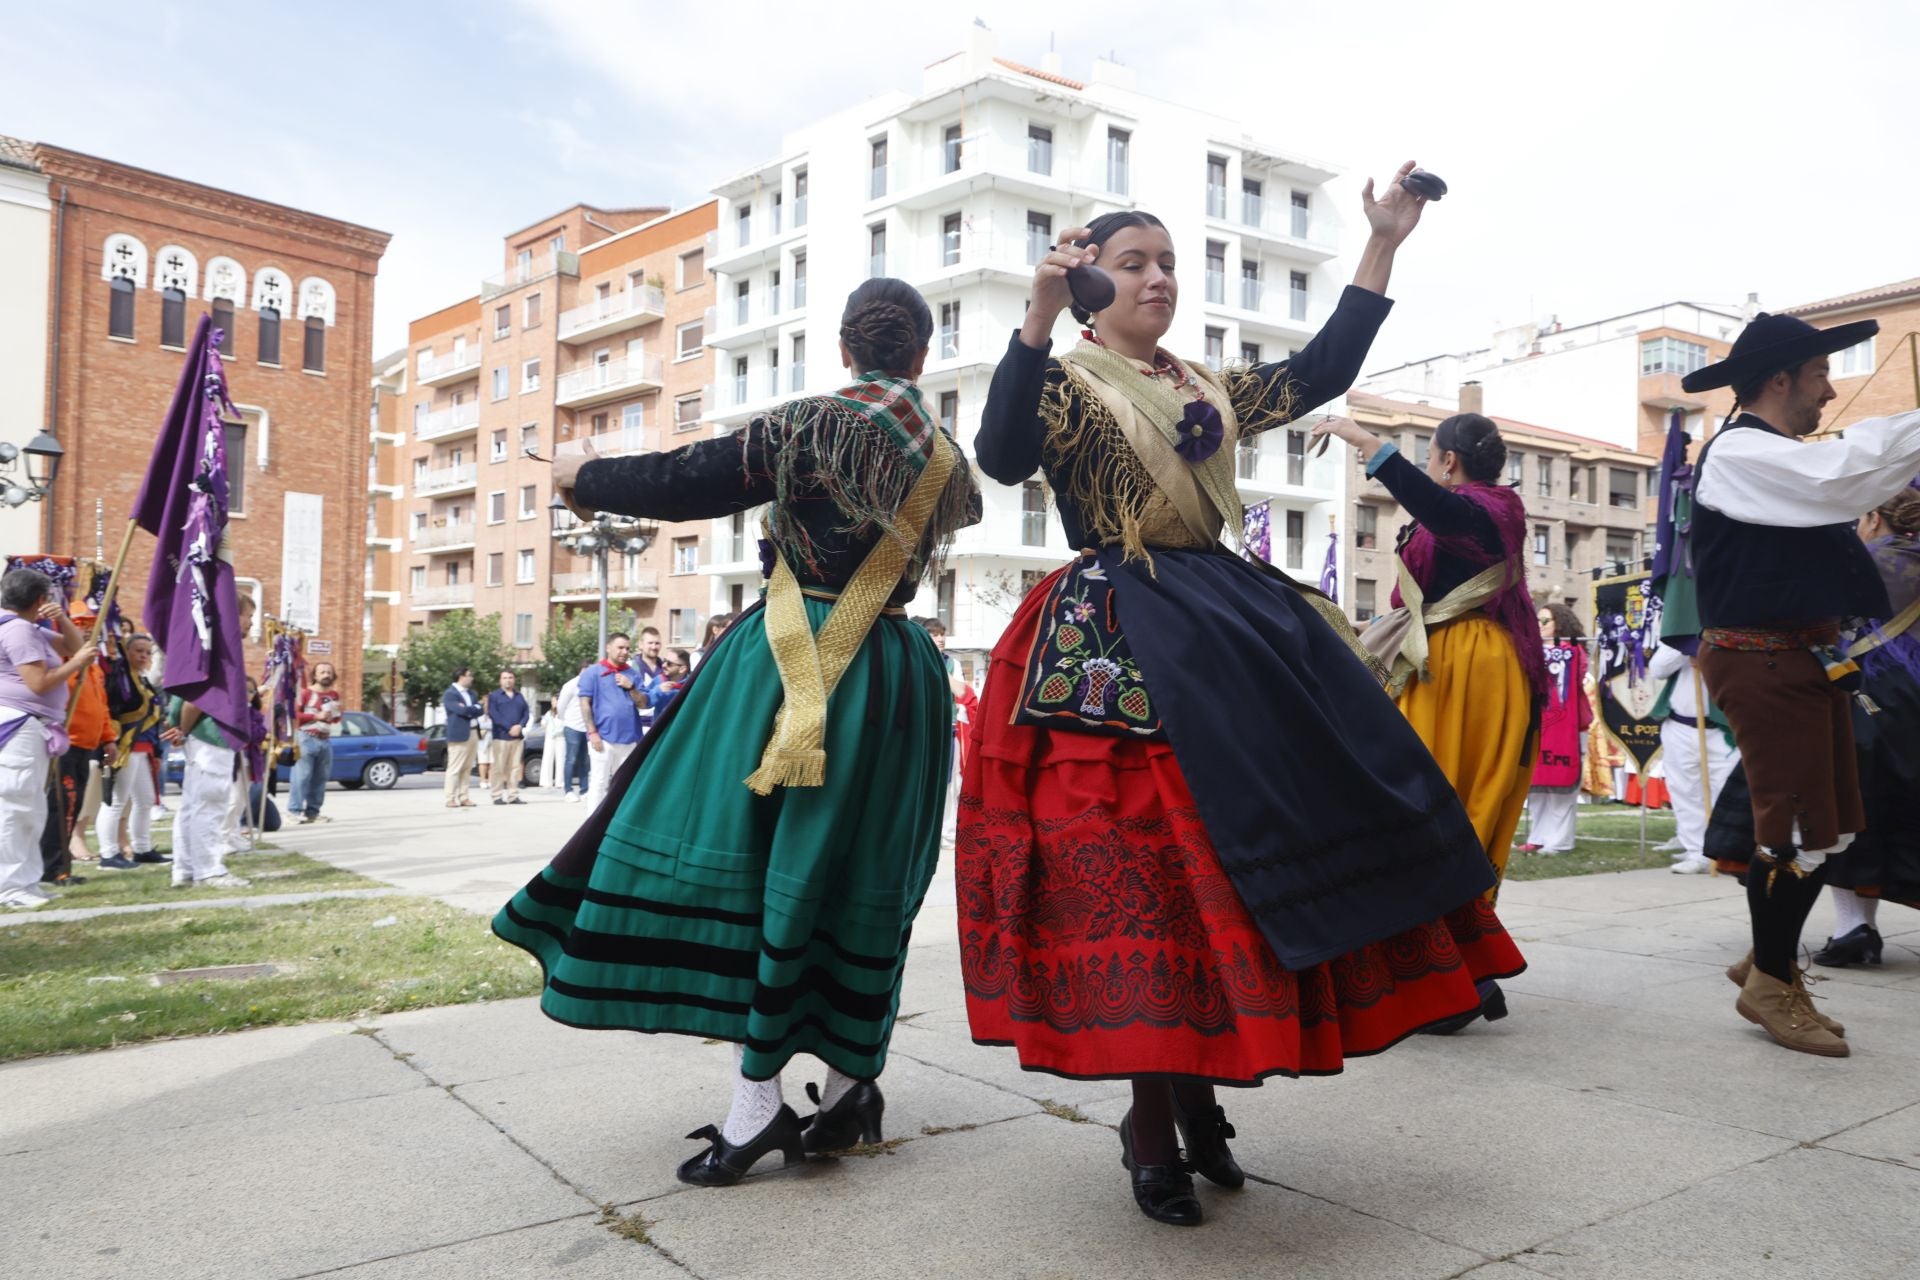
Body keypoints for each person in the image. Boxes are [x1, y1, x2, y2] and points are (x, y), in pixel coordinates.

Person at [964, 173, 1523, 1227]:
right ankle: (1151, 1115)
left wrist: (1382, 243)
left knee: (1231, 872)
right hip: (1118, 632)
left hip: (1224, 622)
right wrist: (1032, 319)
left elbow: (1324, 370)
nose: (1160, 278)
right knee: (1149, 871)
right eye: (1134, 263)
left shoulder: (1208, 386)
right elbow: (998, 455)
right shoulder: (1065, 379)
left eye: (1170, 262)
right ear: (1087, 281)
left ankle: (1196, 1093)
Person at [496, 276, 980, 1188]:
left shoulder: (808, 424)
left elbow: (691, 481)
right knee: (863, 879)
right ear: (922, 356)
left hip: (792, 668)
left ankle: (756, 1107)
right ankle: (848, 1091)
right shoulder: (946, 460)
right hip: (899, 677)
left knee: (761, 873)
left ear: (845, 349)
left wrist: (580, 477)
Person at [1677, 311, 1920, 1057]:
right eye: (1819, 374)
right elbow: (1843, 475)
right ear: (1780, 379)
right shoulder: (1743, 455)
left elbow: (1839, 477)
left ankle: (1769, 955)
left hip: (1800, 659)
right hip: (1764, 659)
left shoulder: (1775, 455)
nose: (1830, 388)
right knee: (1793, 831)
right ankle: (1772, 983)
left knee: (1834, 826)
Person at [1312, 408, 1547, 1031]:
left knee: (1449, 811)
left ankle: (1454, 975)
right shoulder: (1478, 509)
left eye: (1431, 456)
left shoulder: (1491, 509)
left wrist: (1363, 441)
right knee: (1423, 809)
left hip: (1471, 669)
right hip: (1440, 665)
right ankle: (1464, 968)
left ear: (1448, 461)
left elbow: (1448, 517)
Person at [1813, 484, 1920, 965]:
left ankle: (1854, 928)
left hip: (1870, 703)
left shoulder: (1860, 563)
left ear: (1875, 517)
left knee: (1854, 816)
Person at [0, 568, 96, 908]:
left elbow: (77, 645)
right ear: (40, 599)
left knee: (32, 808)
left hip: (33, 727)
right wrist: (77, 664)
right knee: (17, 807)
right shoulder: (19, 631)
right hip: (21, 724)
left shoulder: (30, 629)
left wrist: (65, 620)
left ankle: (27, 881)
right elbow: (39, 683)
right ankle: (10, 886)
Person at [1647, 638, 1738, 875]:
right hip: (1680, 725)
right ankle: (1696, 851)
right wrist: (1685, 648)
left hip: (1723, 729)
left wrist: (1707, 654)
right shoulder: (1677, 637)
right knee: (1685, 790)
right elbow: (1658, 669)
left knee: (1725, 792)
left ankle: (1725, 853)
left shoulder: (1729, 634)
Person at [41, 604, 116, 887]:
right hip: (65, 744)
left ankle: (62, 864)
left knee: (74, 805)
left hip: (87, 745)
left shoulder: (94, 669)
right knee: (62, 805)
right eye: (81, 624)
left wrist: (108, 738)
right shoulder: (61, 661)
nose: (87, 630)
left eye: (91, 625)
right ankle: (54, 867)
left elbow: (102, 707)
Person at [1517, 604, 1592, 856]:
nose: (1538, 625)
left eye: (1544, 621)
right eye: (1536, 620)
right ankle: (1538, 837)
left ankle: (1559, 841)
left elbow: (1579, 673)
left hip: (1568, 728)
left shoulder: (1575, 652)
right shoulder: (1530, 651)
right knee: (1538, 784)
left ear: (1559, 623)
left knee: (1561, 785)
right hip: (1539, 726)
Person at [98, 632, 167, 869]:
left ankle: (142, 848)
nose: (143, 655)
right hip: (125, 746)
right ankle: (108, 854)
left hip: (145, 748)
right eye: (138, 650)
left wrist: (157, 752)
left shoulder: (143, 680)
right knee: (116, 801)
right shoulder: (119, 678)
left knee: (145, 800)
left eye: (147, 652)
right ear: (126, 652)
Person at [576, 634, 645, 807]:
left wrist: (631, 687)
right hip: (603, 738)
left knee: (624, 785)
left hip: (629, 738)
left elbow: (642, 703)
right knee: (599, 782)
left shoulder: (632, 674)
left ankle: (615, 822)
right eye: (620, 647)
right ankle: (592, 824)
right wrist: (592, 732)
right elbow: (585, 704)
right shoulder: (593, 672)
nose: (624, 652)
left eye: (627, 648)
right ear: (608, 647)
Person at [289, 661, 341, 824]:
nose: (326, 675)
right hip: (306, 737)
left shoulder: (334, 695)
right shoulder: (305, 693)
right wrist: (315, 716)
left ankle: (313, 812)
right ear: (315, 675)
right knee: (302, 776)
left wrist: (336, 714)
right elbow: (294, 715)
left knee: (320, 777)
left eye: (329, 672)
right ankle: (294, 811)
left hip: (325, 738)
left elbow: (336, 718)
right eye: (322, 672)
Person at [485, 669, 530, 804]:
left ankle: (513, 795)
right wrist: (509, 728)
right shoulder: (494, 696)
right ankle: (497, 795)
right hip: (501, 737)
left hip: (517, 738)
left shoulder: (519, 696)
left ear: (514, 679)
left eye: (510, 677)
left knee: (515, 767)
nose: (508, 680)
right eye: (505, 678)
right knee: (498, 767)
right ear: (500, 680)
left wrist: (520, 726)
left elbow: (526, 713)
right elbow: (494, 714)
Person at [441, 667, 482, 808]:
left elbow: (480, 709)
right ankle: (450, 797)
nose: (471, 678)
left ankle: (464, 796)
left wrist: (470, 709)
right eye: (469, 675)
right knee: (455, 767)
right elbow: (459, 710)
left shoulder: (471, 693)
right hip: (458, 734)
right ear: (461, 677)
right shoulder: (450, 694)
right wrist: (471, 709)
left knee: (467, 767)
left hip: (473, 732)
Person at [554, 660, 591, 802]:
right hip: (572, 727)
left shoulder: (591, 685)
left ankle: (584, 790)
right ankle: (568, 790)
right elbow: (561, 707)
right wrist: (567, 721)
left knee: (584, 760)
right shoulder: (570, 685)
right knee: (571, 759)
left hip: (586, 727)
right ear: (582, 670)